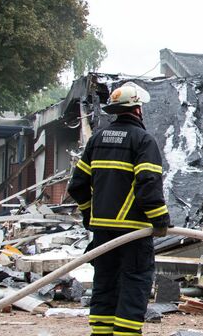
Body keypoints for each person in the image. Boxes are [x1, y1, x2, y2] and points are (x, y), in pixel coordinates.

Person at [68, 82, 170, 336]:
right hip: (133, 232)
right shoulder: (143, 140)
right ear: (137, 109)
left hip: (103, 232)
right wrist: (160, 220)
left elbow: (77, 185)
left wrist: (90, 215)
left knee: (105, 283)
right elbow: (148, 184)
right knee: (135, 282)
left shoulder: (97, 139)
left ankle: (101, 332)